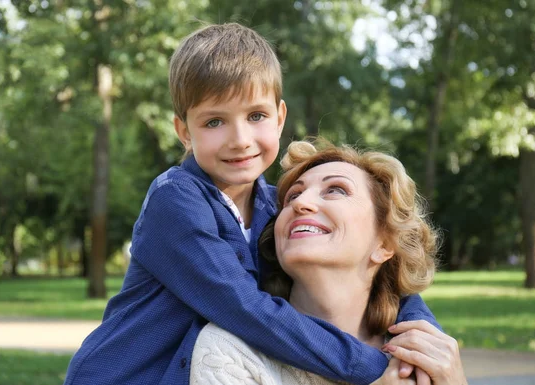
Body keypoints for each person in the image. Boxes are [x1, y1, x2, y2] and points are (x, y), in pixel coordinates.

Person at [64, 23, 441, 385]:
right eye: (214, 122)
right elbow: (244, 309)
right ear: (184, 132)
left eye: (256, 116)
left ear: (279, 118)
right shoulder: (176, 201)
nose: (240, 139)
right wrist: (372, 365)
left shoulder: (275, 207)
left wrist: (424, 342)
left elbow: (392, 280)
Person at [190, 140, 467, 385]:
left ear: (385, 244)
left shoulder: (424, 355)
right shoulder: (230, 351)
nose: (301, 203)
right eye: (293, 196)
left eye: (336, 190)